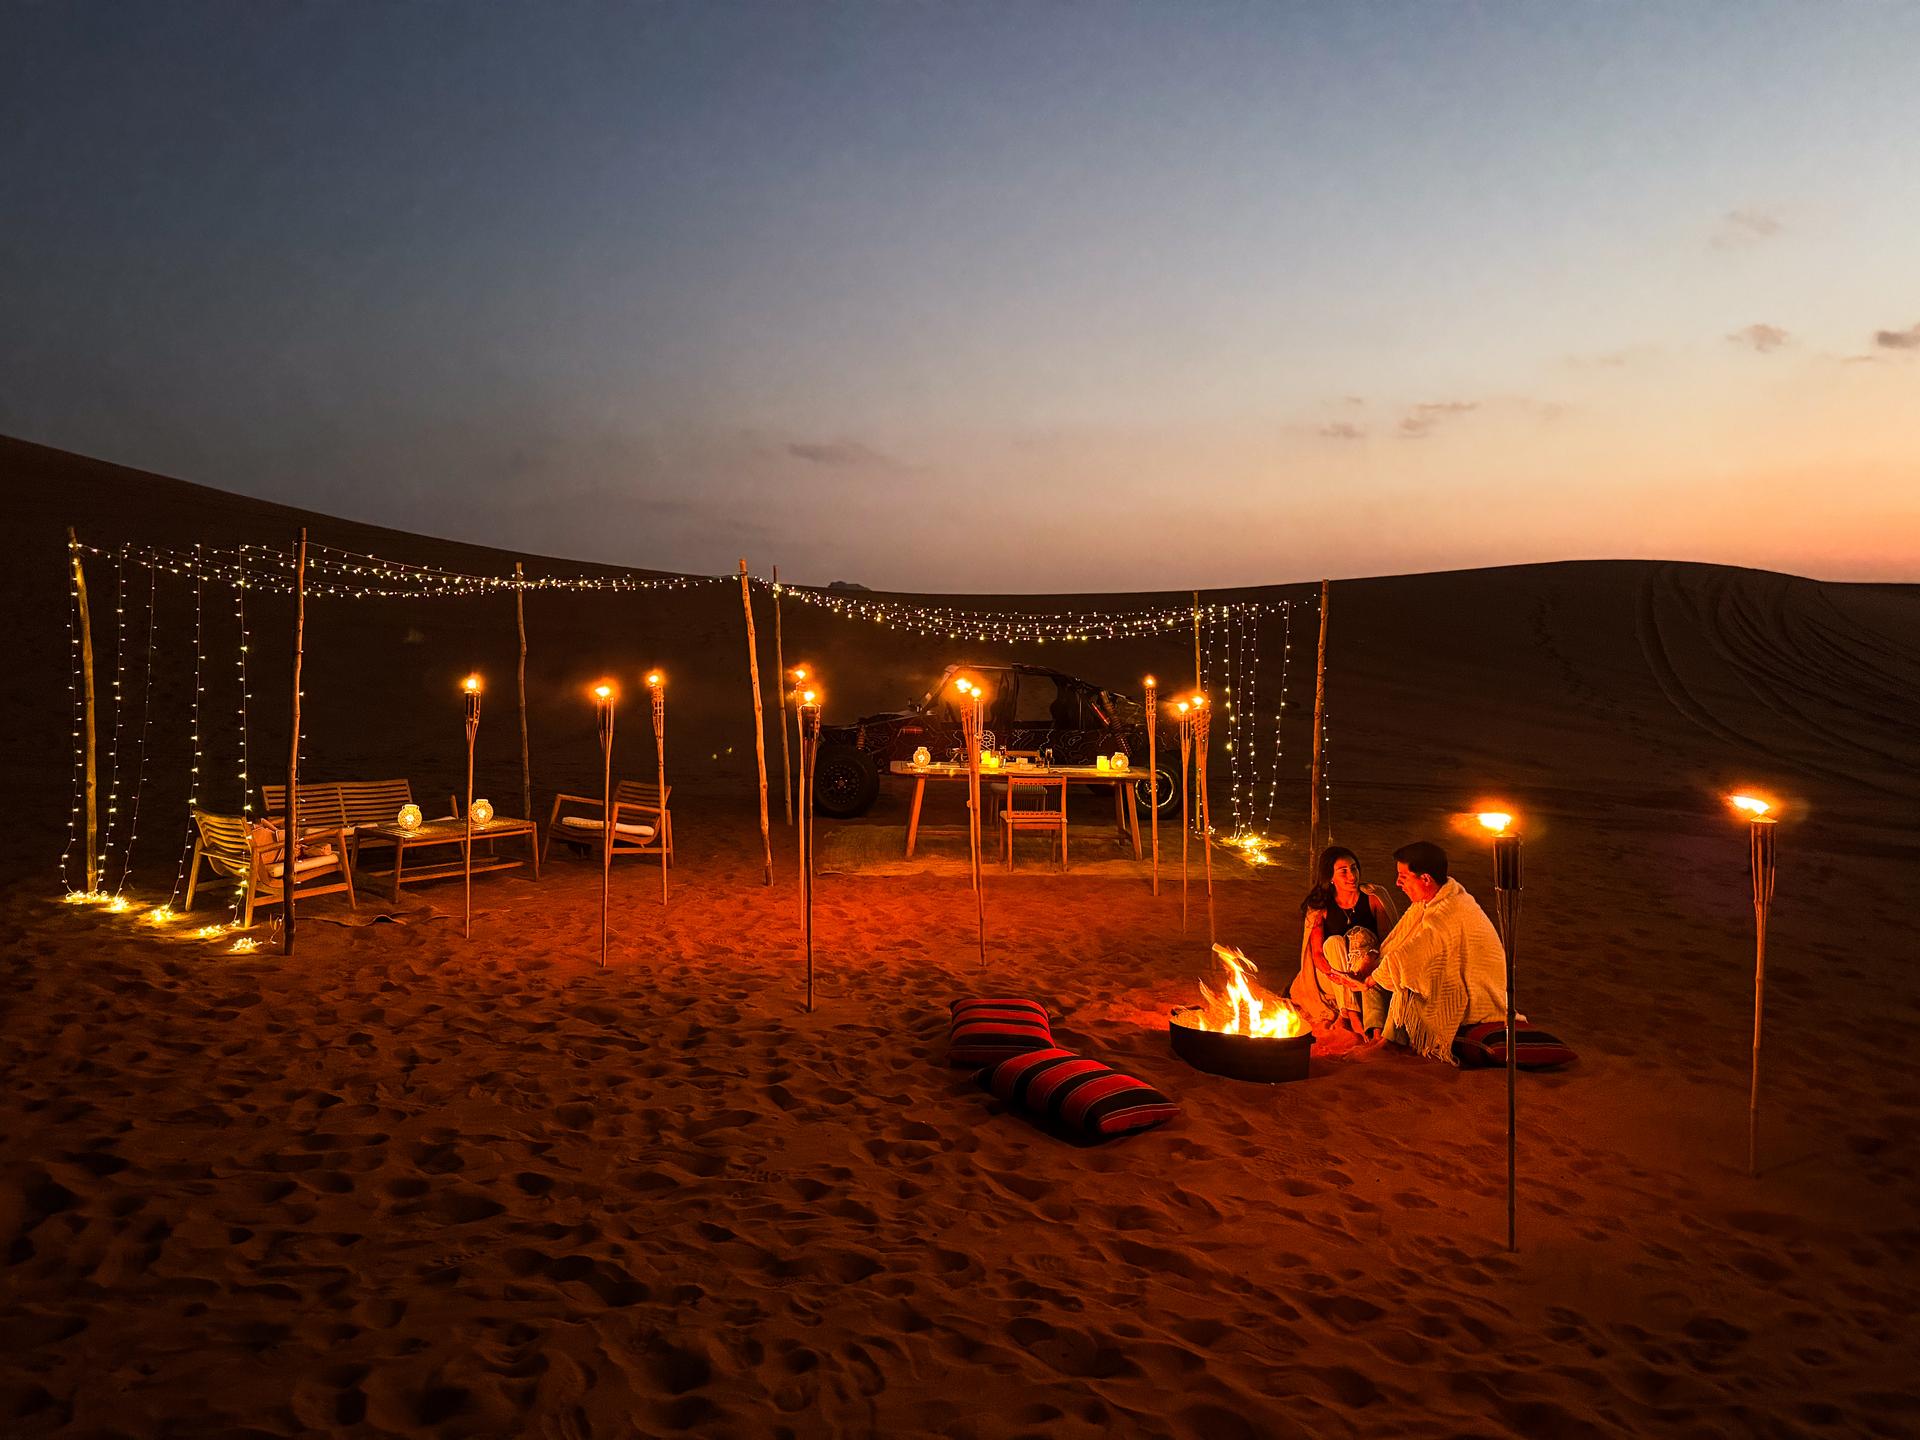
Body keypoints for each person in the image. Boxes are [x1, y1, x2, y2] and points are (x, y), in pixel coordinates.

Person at [1364, 840, 1508, 1063]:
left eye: (1403, 876)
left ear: (1425, 879)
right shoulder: (1434, 899)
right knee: (1388, 966)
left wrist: (1372, 978)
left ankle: (1388, 1044)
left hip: (1477, 991)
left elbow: (1411, 956)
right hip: (1457, 973)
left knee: (1407, 973)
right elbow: (1402, 941)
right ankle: (1375, 1033)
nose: (1397, 883)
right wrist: (1375, 965)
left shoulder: (1449, 910)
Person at [1289, 846, 1401, 1037]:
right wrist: (1336, 974)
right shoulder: (1320, 906)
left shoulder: (1374, 897)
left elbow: (1388, 941)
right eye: (1344, 872)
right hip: (1332, 976)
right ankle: (1351, 1014)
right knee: (1333, 942)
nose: (1352, 876)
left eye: (1354, 868)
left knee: (1362, 939)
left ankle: (1349, 1014)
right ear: (1330, 877)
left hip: (1365, 969)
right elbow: (1316, 954)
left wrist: (1369, 960)